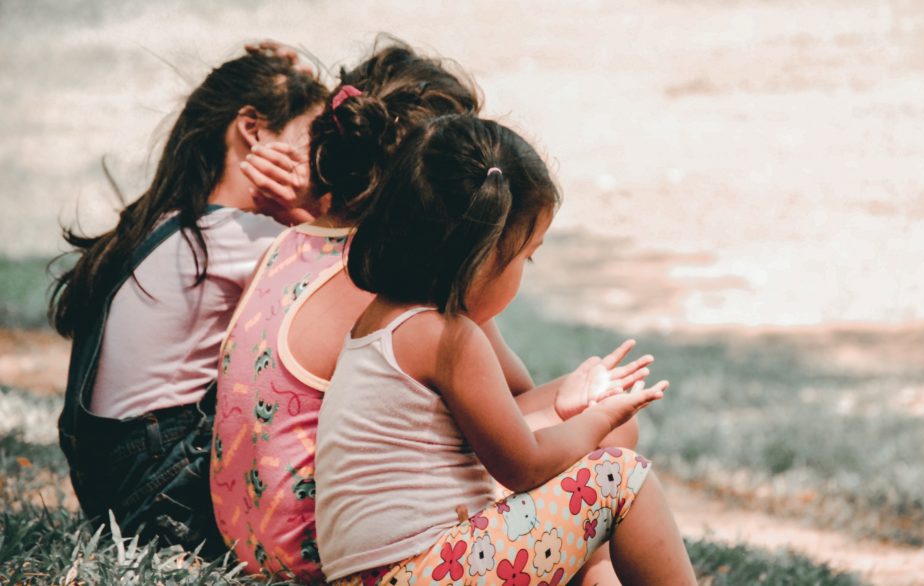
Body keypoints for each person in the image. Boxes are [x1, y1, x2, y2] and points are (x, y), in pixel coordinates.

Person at [216, 37, 654, 584]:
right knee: (614, 459)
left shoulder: (320, 257)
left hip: (268, 537)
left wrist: (570, 402)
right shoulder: (422, 313)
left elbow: (494, 405)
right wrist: (593, 417)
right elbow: (516, 446)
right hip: (336, 557)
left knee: (589, 456)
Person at [315, 114, 699, 585]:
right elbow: (524, 465)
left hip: (390, 573)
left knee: (599, 456)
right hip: (424, 573)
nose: (523, 270)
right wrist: (598, 419)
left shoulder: (381, 321)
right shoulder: (448, 338)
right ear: (482, 256)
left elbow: (496, 436)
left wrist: (567, 406)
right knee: (620, 475)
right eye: (525, 256)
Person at [48, 42, 328, 557]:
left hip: (116, 491)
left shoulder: (165, 223)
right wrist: (307, 213)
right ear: (253, 129)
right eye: (310, 139)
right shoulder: (242, 237)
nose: (317, 163)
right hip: (164, 499)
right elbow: (360, 287)